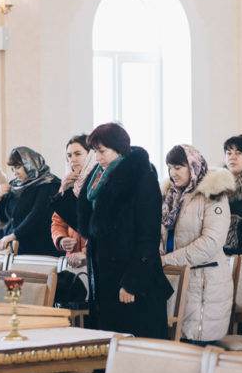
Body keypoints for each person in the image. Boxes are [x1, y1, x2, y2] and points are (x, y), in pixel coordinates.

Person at [73, 123, 172, 338]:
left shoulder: (141, 178)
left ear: (118, 148)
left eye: (102, 151)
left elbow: (148, 235)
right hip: (106, 275)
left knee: (134, 347)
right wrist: (66, 193)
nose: (97, 157)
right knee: (110, 344)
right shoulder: (98, 179)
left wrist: (132, 282)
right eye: (95, 151)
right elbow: (92, 227)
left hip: (132, 278)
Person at [160, 144, 235, 345]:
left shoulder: (213, 195)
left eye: (178, 167)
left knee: (195, 347)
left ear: (192, 166)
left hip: (202, 281)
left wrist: (167, 260)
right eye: (169, 167)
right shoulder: (170, 196)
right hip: (174, 276)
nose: (172, 173)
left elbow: (211, 242)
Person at [0, 147, 61, 256]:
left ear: (30, 164)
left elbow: (37, 215)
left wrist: (14, 235)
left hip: (39, 251)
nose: (15, 172)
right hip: (16, 250)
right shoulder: (15, 186)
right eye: (12, 168)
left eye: (18, 167)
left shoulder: (48, 184)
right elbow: (4, 218)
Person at [51, 134, 89, 268]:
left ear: (90, 155)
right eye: (69, 155)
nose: (72, 159)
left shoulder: (97, 183)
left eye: (77, 154)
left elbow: (101, 228)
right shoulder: (68, 184)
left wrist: (85, 252)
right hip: (72, 259)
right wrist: (61, 239)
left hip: (92, 257)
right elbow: (57, 222)